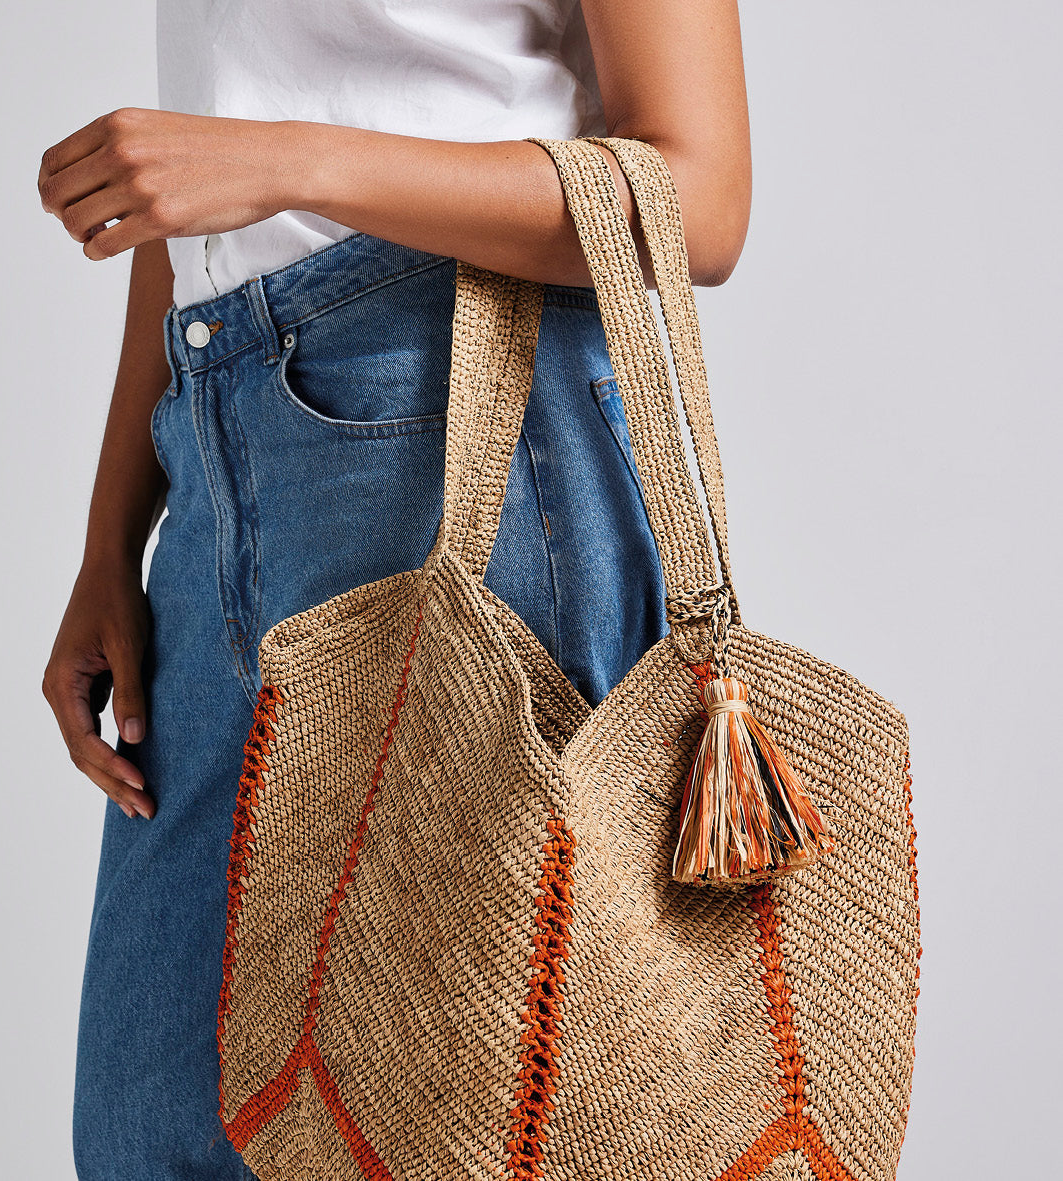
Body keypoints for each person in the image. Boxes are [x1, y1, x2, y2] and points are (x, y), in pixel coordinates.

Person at [39, 1, 751, 1177]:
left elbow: (700, 198)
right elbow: (201, 201)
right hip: (218, 434)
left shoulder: (304, 171)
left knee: (459, 1126)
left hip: (464, 425)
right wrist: (113, 537)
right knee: (153, 1130)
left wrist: (288, 161)